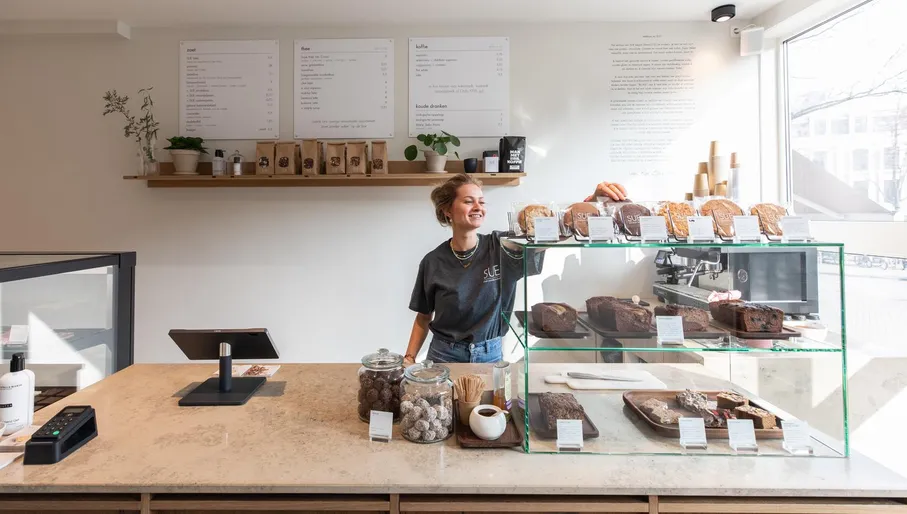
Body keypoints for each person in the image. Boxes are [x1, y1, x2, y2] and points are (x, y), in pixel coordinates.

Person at [404, 175, 628, 365]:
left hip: (489, 356)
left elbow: (552, 234)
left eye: (481, 202)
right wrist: (409, 358)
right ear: (447, 211)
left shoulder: (502, 246)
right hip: (444, 356)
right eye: (468, 201)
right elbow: (423, 318)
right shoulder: (433, 262)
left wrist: (591, 203)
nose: (478, 207)